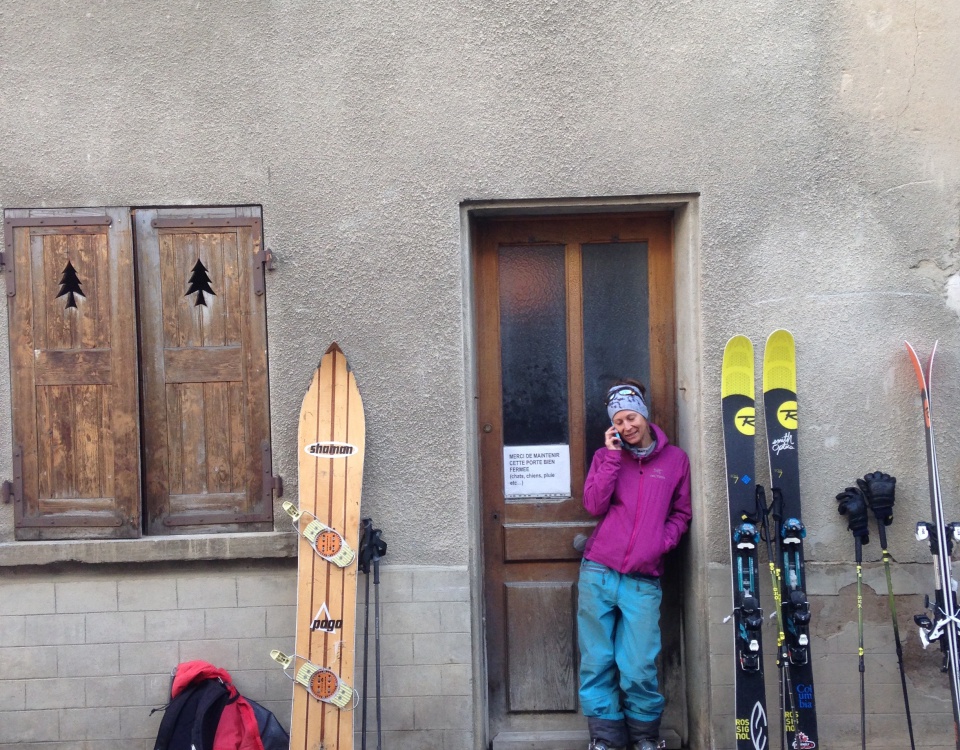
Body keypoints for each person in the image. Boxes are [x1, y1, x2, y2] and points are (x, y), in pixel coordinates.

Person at [578, 381, 692, 750]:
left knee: (638, 665)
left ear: (643, 415)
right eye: (619, 422)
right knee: (597, 661)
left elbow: (681, 512)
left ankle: (645, 739)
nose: (627, 427)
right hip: (598, 571)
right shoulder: (606, 456)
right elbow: (594, 505)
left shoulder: (675, 460)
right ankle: (605, 740)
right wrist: (611, 457)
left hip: (643, 579)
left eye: (631, 417)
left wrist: (660, 542)